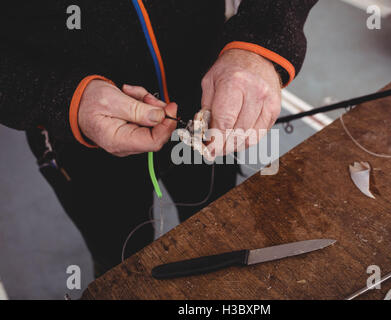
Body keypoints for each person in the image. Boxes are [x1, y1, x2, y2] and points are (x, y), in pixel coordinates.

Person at [0, 0, 317, 276]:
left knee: (216, 231)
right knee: (121, 260)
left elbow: (271, 26)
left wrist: (263, 38)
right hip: (75, 138)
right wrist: (63, 100)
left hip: (208, 103)